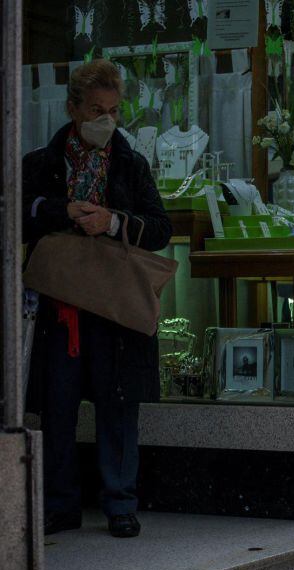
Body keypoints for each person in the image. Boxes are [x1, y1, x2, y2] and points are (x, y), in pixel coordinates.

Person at [22, 59, 172, 538]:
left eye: (112, 110)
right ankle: (60, 504)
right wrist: (59, 211)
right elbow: (19, 214)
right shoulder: (40, 164)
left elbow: (161, 229)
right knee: (57, 406)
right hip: (59, 308)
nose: (105, 119)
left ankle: (120, 502)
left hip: (114, 308)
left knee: (117, 405)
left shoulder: (131, 163)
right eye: (95, 109)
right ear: (72, 109)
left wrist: (110, 222)